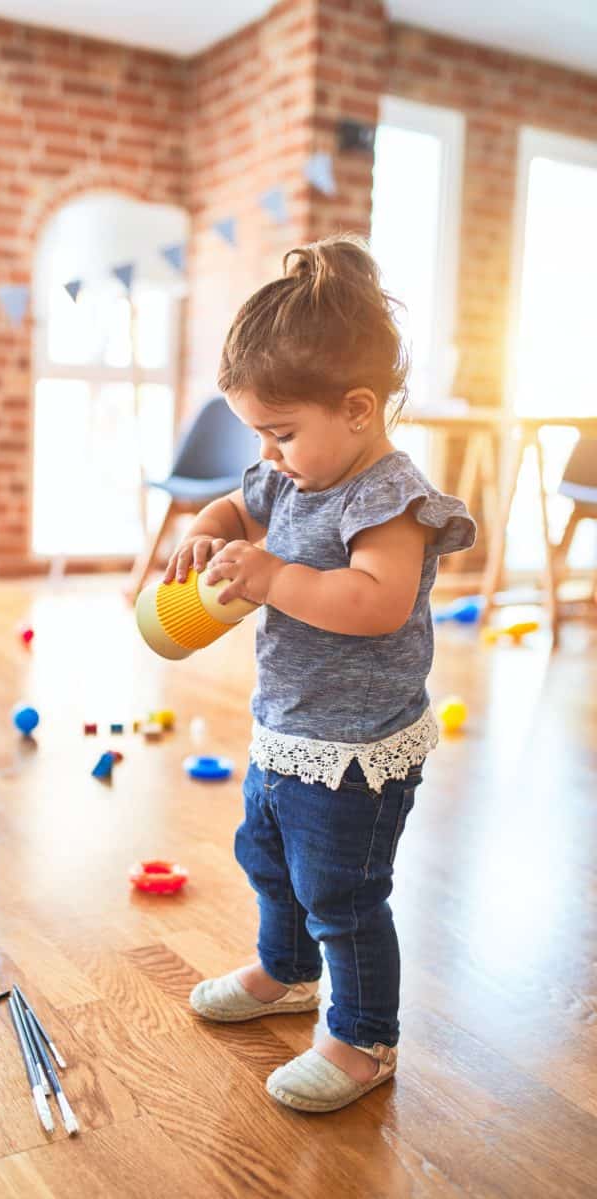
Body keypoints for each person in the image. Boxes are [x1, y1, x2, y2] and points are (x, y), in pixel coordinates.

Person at [164, 235, 476, 1113]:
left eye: (281, 432)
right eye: (260, 433)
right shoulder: (294, 474)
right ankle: (287, 969)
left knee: (342, 892)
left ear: (360, 408)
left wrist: (272, 577)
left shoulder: (389, 497)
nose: (268, 454)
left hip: (358, 750)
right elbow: (239, 500)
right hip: (289, 727)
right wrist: (208, 522)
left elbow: (376, 600)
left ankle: (363, 1034)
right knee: (266, 856)